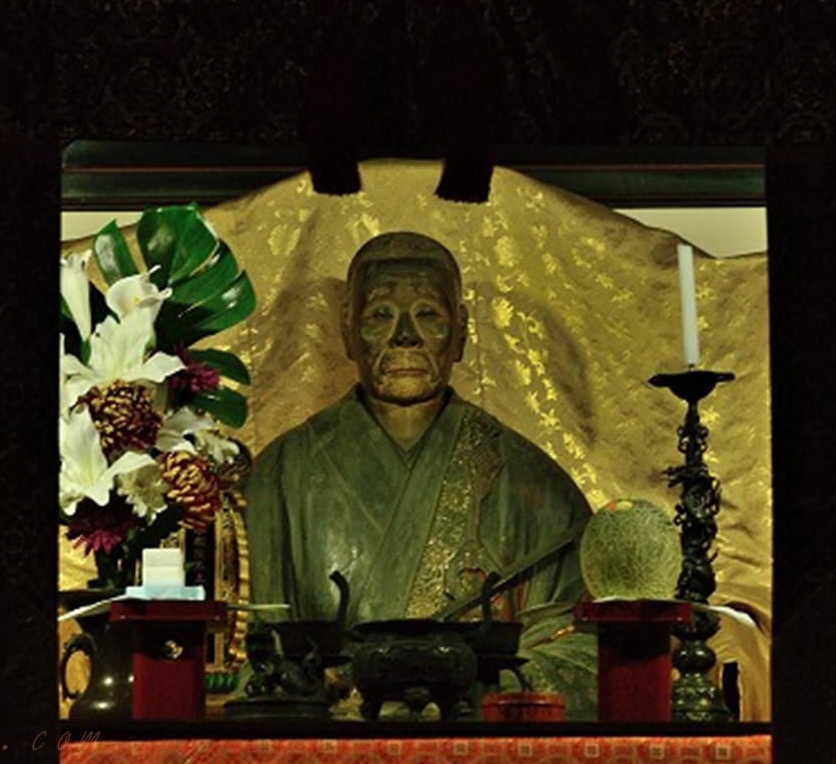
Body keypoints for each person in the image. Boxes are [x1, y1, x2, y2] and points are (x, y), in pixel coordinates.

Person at [242, 231, 596, 718]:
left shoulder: (534, 485)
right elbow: (253, 653)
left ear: (461, 332)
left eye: (428, 314)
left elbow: (584, 648)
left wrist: (470, 684)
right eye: (379, 316)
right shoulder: (281, 475)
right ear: (347, 330)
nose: (404, 335)